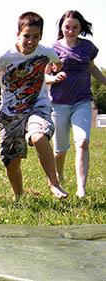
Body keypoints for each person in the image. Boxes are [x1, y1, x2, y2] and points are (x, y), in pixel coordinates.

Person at [0, 12, 68, 200]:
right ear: (18, 33)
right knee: (11, 160)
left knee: (38, 135)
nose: (31, 41)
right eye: (27, 36)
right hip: (10, 113)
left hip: (38, 105)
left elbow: (57, 62)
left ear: (41, 36)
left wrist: (56, 69)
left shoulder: (46, 52)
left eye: (36, 37)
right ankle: (19, 196)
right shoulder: (4, 56)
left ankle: (53, 182)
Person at [46, 10, 106, 198]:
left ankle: (81, 188)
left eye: (75, 27)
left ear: (81, 28)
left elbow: (91, 67)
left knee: (83, 142)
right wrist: (54, 78)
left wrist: (104, 82)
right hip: (59, 104)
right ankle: (59, 175)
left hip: (82, 101)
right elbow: (44, 76)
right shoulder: (53, 49)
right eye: (67, 27)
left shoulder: (88, 47)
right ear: (61, 28)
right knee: (60, 150)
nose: (71, 31)